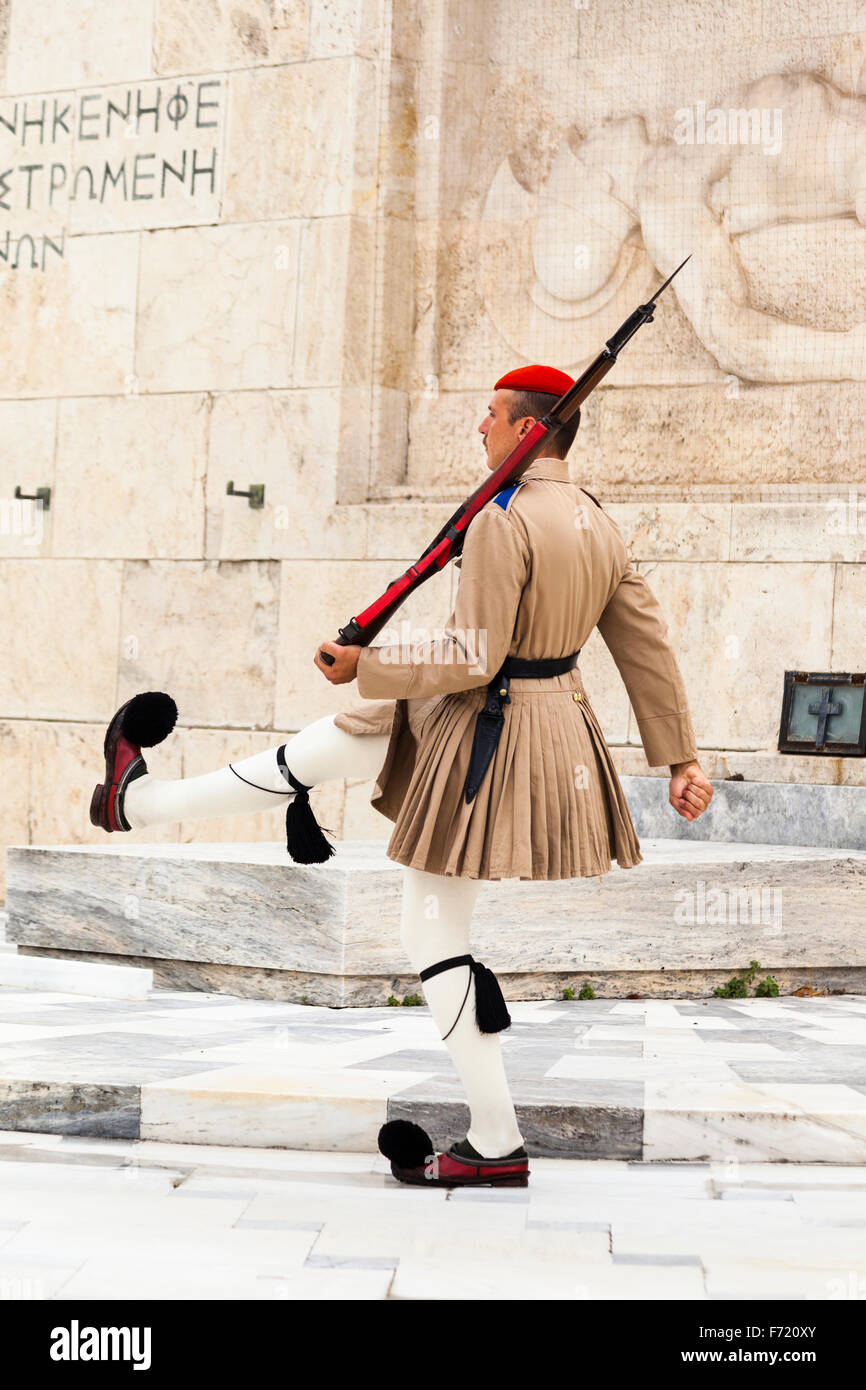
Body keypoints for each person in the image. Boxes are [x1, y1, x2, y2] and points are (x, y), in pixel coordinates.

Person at [90, 363, 713, 1189]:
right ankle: (140, 801)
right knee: (340, 741)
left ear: (527, 430)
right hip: (536, 721)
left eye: (490, 416)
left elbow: (473, 654)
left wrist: (365, 661)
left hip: (490, 730)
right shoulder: (595, 520)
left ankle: (495, 1143)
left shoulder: (505, 519)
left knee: (432, 931)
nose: (478, 429)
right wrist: (682, 756)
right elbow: (644, 641)